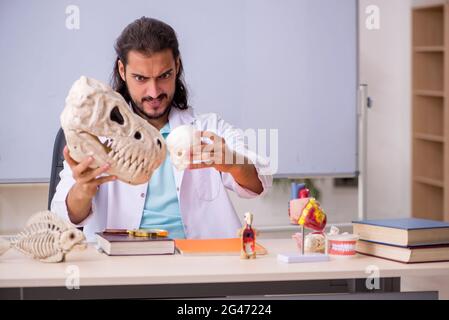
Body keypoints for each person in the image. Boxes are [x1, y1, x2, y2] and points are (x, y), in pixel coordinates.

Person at [51, 17, 272, 242]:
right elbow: (63, 214)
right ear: (122, 70)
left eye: (164, 76)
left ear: (177, 66)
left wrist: (233, 163)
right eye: (141, 78)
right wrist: (84, 188)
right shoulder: (95, 135)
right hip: (123, 266)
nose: (154, 92)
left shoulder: (208, 128)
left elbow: (260, 182)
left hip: (201, 265)